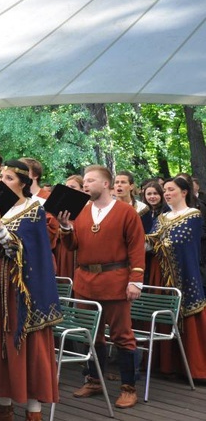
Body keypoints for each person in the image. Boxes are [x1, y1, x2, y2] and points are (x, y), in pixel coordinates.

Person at [0, 160, 62, 421]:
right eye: (3, 178)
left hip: (24, 291)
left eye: (9, 178)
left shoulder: (34, 210)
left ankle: (33, 410)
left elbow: (26, 252)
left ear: (23, 183)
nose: (4, 183)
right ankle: (2, 404)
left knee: (27, 346)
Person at [58, 165, 145, 409]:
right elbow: (72, 245)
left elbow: (137, 247)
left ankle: (129, 388)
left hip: (116, 281)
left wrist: (135, 280)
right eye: (84, 181)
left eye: (90, 180)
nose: (85, 184)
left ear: (105, 184)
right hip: (86, 282)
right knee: (90, 334)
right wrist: (66, 228)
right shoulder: (83, 213)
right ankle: (94, 380)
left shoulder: (126, 212)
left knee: (122, 336)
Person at [145, 176, 206, 379]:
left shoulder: (193, 215)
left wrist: (158, 244)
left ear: (184, 192)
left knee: (186, 313)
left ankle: (191, 367)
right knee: (161, 312)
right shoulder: (162, 217)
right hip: (159, 273)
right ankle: (165, 365)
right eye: (166, 191)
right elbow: (150, 241)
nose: (167, 193)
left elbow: (181, 243)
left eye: (171, 189)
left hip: (183, 274)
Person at [52, 175, 84, 279]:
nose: (69, 190)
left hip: (79, 250)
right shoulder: (58, 206)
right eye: (67, 186)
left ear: (82, 189)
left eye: (73, 187)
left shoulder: (88, 207)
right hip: (62, 250)